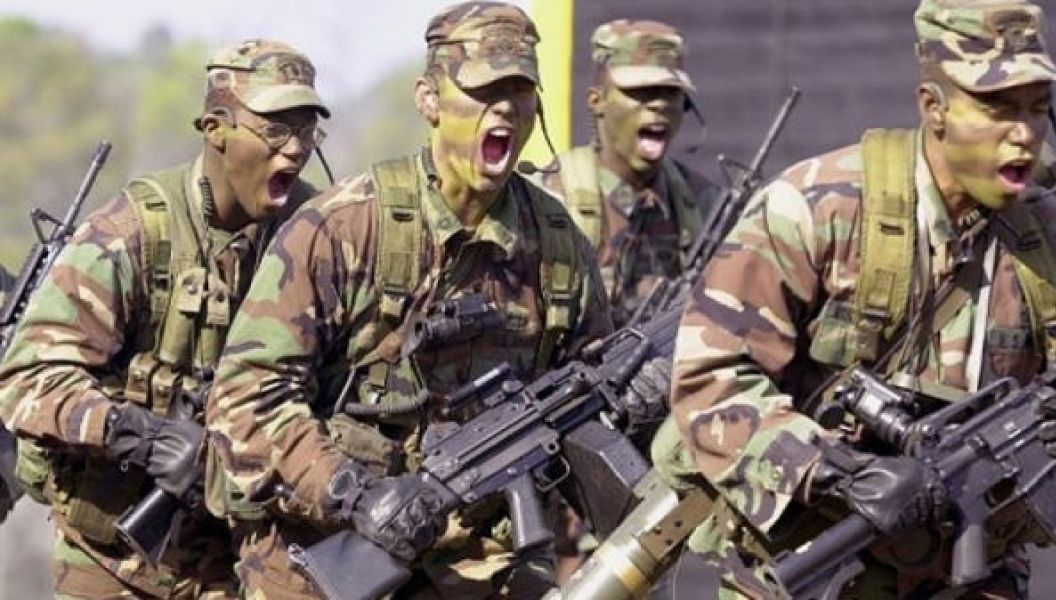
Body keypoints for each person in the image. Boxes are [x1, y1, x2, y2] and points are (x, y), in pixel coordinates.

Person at [202, 3, 620, 598]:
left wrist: (633, 406)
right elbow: (244, 400)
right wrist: (354, 494)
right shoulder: (344, 227)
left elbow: (589, 398)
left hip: (480, 573)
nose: (504, 108)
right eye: (483, 91)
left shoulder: (559, 247)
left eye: (520, 91)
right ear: (428, 99)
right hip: (321, 563)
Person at [656, 0, 1056, 597]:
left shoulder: (1049, 240)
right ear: (933, 106)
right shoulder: (818, 207)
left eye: (1037, 107)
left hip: (974, 571)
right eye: (997, 106)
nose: (1024, 132)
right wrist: (839, 473)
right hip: (817, 566)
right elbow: (709, 381)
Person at [0, 39, 328, 598]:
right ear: (215, 130)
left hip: (244, 561)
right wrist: (144, 436)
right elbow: (27, 381)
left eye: (307, 131)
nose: (295, 149)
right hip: (112, 562)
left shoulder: (317, 230)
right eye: (275, 129)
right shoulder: (133, 231)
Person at [531, 19, 720, 328]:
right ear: (597, 100)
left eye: (671, 93)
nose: (659, 105)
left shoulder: (704, 206)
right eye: (640, 92)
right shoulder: (548, 199)